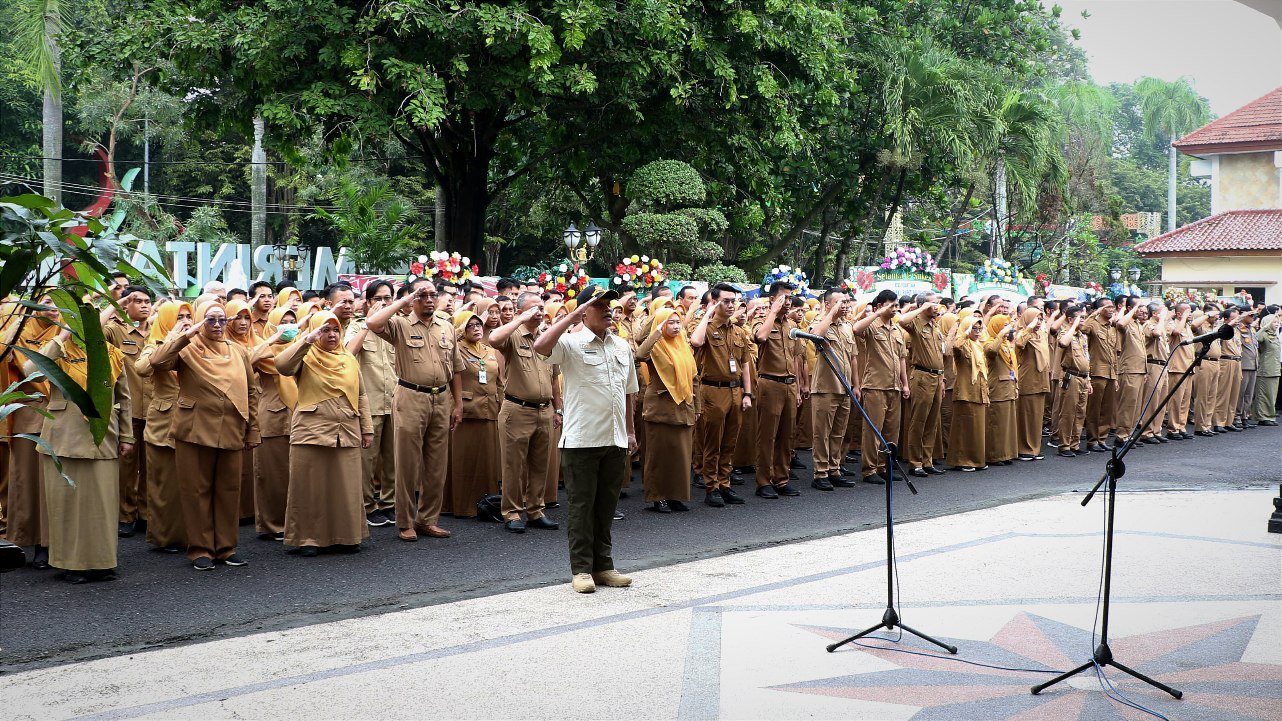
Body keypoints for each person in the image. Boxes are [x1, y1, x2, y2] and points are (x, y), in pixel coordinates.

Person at [533, 286, 637, 594]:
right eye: (599, 304)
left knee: (606, 507)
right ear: (584, 310)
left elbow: (628, 393)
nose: (608, 309)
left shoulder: (621, 346)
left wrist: (630, 432)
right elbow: (540, 345)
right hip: (581, 440)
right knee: (581, 507)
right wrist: (570, 319)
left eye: (609, 304)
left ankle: (603, 566)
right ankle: (580, 569)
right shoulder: (571, 343)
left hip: (615, 438)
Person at [149, 300, 261, 570]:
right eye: (210, 320)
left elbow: (250, 391)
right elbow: (157, 361)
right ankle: (200, 549)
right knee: (195, 491)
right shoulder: (188, 348)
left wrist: (253, 429)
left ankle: (226, 547)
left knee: (229, 491)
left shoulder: (237, 351)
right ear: (200, 321)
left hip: (233, 428)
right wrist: (184, 335)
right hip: (195, 429)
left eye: (222, 320)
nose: (217, 326)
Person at [27, 323, 133, 583]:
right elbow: (32, 373)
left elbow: (124, 397)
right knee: (68, 504)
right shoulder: (59, 349)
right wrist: (61, 338)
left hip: (103, 434)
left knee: (103, 505)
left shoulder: (111, 353)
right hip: (65, 436)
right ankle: (73, 565)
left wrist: (128, 435)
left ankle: (102, 562)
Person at [366, 278, 464, 541]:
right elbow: (373, 323)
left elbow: (455, 368)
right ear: (411, 298)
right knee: (407, 463)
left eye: (432, 294)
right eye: (422, 295)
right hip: (411, 396)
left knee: (436, 464)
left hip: (441, 398)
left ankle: (427, 519)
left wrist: (459, 403)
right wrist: (404, 302)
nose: (429, 299)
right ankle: (405, 521)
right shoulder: (400, 323)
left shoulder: (446, 326)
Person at [274, 312, 373, 556]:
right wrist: (306, 340)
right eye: (324, 330)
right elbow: (282, 366)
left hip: (347, 429)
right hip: (311, 430)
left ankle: (347, 536)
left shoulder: (348, 359)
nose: (330, 335)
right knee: (309, 486)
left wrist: (367, 428)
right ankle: (309, 539)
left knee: (346, 486)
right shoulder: (305, 356)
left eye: (335, 330)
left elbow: (361, 394)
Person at [489, 292, 559, 533]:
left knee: (540, 464)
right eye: (533, 308)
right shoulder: (513, 334)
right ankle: (512, 512)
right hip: (517, 409)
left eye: (541, 307)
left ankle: (536, 510)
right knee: (513, 465)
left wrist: (557, 408)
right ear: (520, 312)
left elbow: (555, 377)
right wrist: (519, 320)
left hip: (544, 410)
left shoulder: (546, 338)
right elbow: (494, 338)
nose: (539, 312)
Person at [2, 295, 60, 568]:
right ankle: (36, 543)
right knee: (30, 482)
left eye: (58, 302)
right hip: (29, 413)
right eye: (46, 301)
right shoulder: (21, 330)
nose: (53, 308)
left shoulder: (65, 331)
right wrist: (20, 317)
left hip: (63, 413)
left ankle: (61, 543)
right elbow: (3, 349)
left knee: (60, 482)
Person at [135, 301, 194, 553]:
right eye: (178, 317)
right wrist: (171, 338)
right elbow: (141, 368)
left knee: (190, 483)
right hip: (164, 421)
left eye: (188, 316)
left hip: (193, 420)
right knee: (164, 484)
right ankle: (165, 537)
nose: (185, 321)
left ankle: (193, 534)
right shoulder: (155, 342)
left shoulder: (196, 343)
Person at [690, 283, 754, 507]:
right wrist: (708, 313)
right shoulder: (706, 327)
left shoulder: (737, 330)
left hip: (735, 390)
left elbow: (745, 364)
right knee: (712, 442)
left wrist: (747, 393)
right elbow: (695, 342)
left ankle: (725, 484)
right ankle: (711, 486)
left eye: (732, 301)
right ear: (715, 302)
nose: (730, 305)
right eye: (725, 301)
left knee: (730, 441)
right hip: (713, 390)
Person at [345, 280, 397, 527]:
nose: (384, 303)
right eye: (378, 299)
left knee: (394, 457)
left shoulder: (396, 327)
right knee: (368, 459)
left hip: (396, 400)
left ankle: (389, 502)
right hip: (371, 401)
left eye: (388, 298)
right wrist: (368, 325)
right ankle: (368, 504)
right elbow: (347, 353)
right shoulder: (357, 326)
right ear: (367, 302)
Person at [104, 285, 153, 538]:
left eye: (148, 301)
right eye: (138, 301)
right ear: (127, 306)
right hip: (129, 410)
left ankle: (146, 513)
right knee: (126, 466)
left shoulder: (157, 331)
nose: (145, 305)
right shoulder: (116, 330)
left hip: (155, 411)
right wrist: (116, 303)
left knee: (151, 467)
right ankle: (126, 514)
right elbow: (93, 332)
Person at [636, 306, 696, 513]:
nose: (676, 326)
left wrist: (695, 407)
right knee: (659, 455)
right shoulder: (656, 345)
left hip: (683, 406)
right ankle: (657, 497)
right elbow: (639, 354)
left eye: (678, 322)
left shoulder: (683, 345)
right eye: (670, 322)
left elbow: (693, 377)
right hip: (661, 407)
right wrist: (657, 330)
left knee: (680, 455)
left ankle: (676, 496)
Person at [446, 310, 504, 520]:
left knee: (486, 461)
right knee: (464, 460)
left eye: (479, 325)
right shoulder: (456, 349)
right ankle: (462, 505)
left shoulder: (489, 350)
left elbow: (498, 381)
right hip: (466, 410)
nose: (477, 328)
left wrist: (501, 404)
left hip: (489, 409)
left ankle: (487, 504)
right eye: (470, 325)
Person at [751, 281, 805, 498]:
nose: (788, 302)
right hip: (770, 383)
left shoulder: (790, 325)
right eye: (784, 297)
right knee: (767, 436)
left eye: (790, 298)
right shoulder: (761, 320)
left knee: (786, 435)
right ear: (772, 298)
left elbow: (797, 358)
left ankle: (782, 480)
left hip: (790, 385)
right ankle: (764, 481)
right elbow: (760, 337)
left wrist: (799, 388)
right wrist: (772, 310)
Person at [250, 306, 298, 540]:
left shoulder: (301, 347)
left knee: (295, 474)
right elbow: (248, 359)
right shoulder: (264, 349)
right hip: (273, 415)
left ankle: (294, 521)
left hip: (299, 414)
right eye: (283, 322)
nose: (289, 326)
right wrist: (273, 339)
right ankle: (271, 524)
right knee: (271, 474)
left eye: (293, 322)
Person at [851, 289, 908, 484]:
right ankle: (870, 469)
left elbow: (902, 358)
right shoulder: (873, 326)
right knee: (873, 430)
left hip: (894, 387)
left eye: (896, 305)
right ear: (879, 306)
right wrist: (875, 313)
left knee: (892, 431)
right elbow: (856, 329)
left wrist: (905, 383)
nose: (895, 309)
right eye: (890, 305)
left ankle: (885, 466)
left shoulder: (897, 329)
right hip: (875, 385)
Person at [808, 289, 857, 490]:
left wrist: (856, 384)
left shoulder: (847, 326)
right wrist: (831, 313)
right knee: (823, 433)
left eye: (846, 302)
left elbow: (853, 356)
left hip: (844, 387)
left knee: (839, 432)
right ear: (827, 304)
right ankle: (820, 473)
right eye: (839, 302)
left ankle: (834, 468)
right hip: (826, 387)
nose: (844, 305)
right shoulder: (821, 322)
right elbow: (816, 336)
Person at [898, 293, 947, 477]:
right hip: (922, 376)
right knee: (918, 420)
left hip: (937, 377)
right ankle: (915, 462)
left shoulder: (935, 325)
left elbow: (940, 355)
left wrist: (942, 380)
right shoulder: (917, 323)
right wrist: (920, 307)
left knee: (932, 422)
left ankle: (927, 460)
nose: (937, 306)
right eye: (933, 303)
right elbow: (902, 320)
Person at [947, 314, 989, 471]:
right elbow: (956, 347)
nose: (977, 331)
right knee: (964, 427)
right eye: (974, 328)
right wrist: (965, 331)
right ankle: (963, 460)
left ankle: (976, 460)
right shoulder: (963, 344)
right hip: (965, 391)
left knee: (976, 428)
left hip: (978, 391)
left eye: (979, 328)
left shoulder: (978, 345)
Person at [1081, 298, 1119, 450]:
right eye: (1107, 307)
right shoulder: (1093, 324)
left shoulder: (1112, 327)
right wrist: (1093, 314)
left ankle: (1102, 438)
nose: (1111, 309)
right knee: (1094, 409)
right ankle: (1092, 440)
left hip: (1110, 373)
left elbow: (1114, 353)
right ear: (1099, 309)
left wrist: (1115, 376)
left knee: (1107, 409)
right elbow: (1082, 328)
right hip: (1097, 372)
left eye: (1112, 307)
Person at [1055, 305, 1092, 457]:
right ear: (1070, 319)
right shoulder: (1066, 332)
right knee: (1068, 412)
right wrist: (1074, 326)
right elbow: (1063, 343)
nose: (1083, 320)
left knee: (1080, 413)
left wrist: (1088, 380)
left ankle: (1074, 444)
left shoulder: (1083, 336)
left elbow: (1086, 358)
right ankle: (1064, 445)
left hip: (1083, 377)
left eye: (1083, 317)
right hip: (1071, 376)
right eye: (1079, 317)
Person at [1014, 307, 1050, 461]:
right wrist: (1029, 327)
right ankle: (1024, 448)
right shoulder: (1023, 333)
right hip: (1028, 379)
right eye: (1036, 319)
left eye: (1041, 319)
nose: (1038, 322)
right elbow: (1019, 343)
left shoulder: (1041, 334)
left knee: (1036, 416)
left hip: (1041, 379)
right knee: (1026, 415)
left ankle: (1034, 448)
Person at [984, 314, 1018, 466]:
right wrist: (1000, 334)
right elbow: (991, 352)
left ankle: (1007, 453)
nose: (1008, 328)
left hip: (1008, 385)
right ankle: (995, 455)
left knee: (1007, 422)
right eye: (1004, 325)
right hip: (997, 387)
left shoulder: (1005, 344)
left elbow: (1012, 366)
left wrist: (1015, 385)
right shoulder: (991, 341)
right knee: (996, 422)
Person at [1112, 298, 1146, 445]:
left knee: (1136, 405)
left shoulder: (1138, 324)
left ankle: (1129, 434)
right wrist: (1132, 309)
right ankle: (1121, 435)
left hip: (1139, 370)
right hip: (1129, 369)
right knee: (1127, 405)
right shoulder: (1126, 322)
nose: (1142, 311)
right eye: (1139, 308)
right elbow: (1119, 323)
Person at [1253, 312, 1280, 426]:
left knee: (1272, 395)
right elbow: (1256, 338)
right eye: (1274, 322)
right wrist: (1264, 327)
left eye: (1278, 322)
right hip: (1265, 369)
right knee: (1263, 394)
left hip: (1275, 368)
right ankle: (1262, 416)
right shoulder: (1264, 334)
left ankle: (1270, 416)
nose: (1277, 324)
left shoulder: (1275, 335)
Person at [1238, 314, 1259, 428]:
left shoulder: (1251, 330)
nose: (1252, 318)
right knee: (1240, 393)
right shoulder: (1238, 329)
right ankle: (1237, 417)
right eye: (1250, 315)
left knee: (1249, 394)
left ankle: (1244, 416)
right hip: (1244, 365)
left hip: (1253, 365)